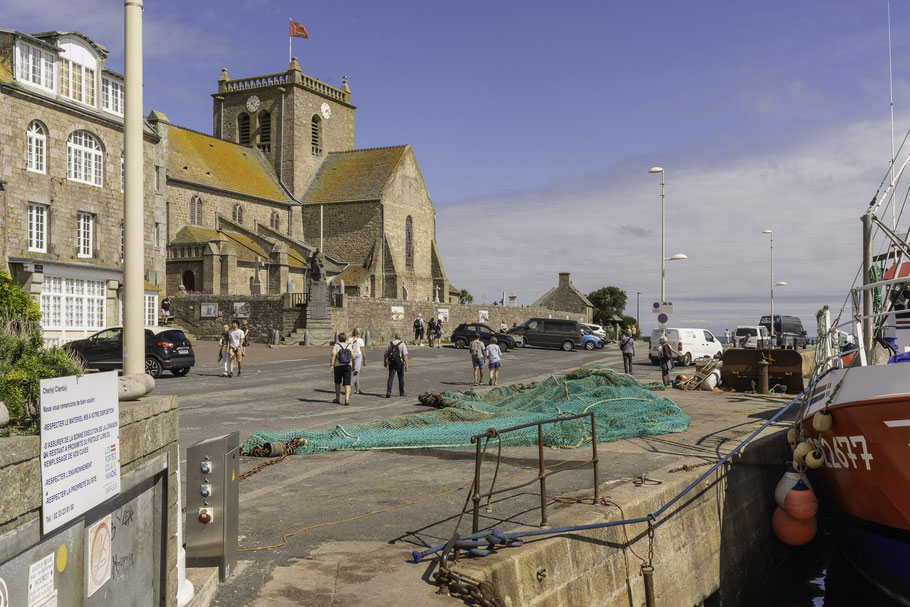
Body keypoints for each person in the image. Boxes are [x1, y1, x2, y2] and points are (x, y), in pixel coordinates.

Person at [330, 331, 360, 405]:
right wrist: (353, 366)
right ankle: (347, 399)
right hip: (347, 366)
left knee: (337, 382)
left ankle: (337, 398)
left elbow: (333, 355)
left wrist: (331, 365)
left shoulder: (336, 345)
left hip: (338, 366)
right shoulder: (349, 345)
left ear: (338, 339)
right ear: (346, 339)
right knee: (347, 383)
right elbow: (353, 357)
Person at [384, 332, 408, 397]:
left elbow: (385, 354)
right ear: (400, 337)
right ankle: (401, 392)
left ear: (395, 337)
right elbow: (405, 355)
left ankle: (389, 391)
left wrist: (385, 362)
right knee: (401, 378)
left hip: (391, 362)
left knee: (391, 377)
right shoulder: (402, 344)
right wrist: (406, 365)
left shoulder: (389, 343)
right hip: (399, 362)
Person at [351, 327, 366, 394]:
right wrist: (364, 359)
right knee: (356, 373)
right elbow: (363, 351)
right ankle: (349, 386)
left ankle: (357, 389)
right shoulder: (360, 340)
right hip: (357, 356)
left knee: (356, 373)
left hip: (351, 356)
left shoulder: (349, 339)